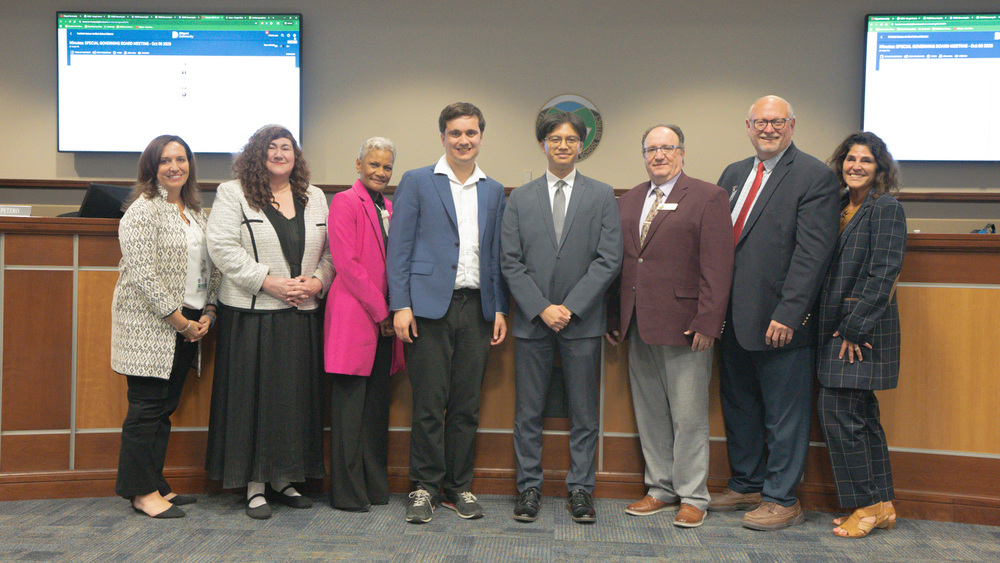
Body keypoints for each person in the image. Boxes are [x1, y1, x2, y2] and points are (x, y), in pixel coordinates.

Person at [711, 96, 840, 530]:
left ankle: (782, 497)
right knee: (740, 406)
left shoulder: (814, 176)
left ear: (792, 125)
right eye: (760, 122)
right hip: (731, 318)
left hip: (780, 321)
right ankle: (747, 482)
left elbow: (812, 253)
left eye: (777, 122)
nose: (768, 129)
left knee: (785, 414)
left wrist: (789, 313)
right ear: (747, 126)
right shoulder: (733, 174)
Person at [387, 102, 508, 524]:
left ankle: (458, 486)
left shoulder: (492, 189)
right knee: (427, 404)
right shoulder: (418, 181)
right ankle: (423, 487)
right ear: (443, 137)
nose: (463, 140)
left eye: (471, 133)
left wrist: (499, 308)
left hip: (476, 308)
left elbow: (495, 255)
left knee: (465, 405)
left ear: (480, 137)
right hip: (427, 309)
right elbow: (399, 248)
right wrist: (400, 304)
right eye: (455, 133)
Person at [607, 124, 733, 528]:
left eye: (667, 148)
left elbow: (718, 266)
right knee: (650, 412)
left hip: (686, 325)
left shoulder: (707, 196)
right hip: (638, 322)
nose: (659, 155)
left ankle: (694, 495)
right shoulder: (628, 201)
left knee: (689, 415)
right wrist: (615, 317)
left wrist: (709, 321)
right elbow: (621, 265)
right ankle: (660, 488)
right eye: (651, 149)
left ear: (682, 152)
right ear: (643, 155)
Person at [205, 125, 334, 520]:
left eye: (287, 147)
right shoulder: (233, 193)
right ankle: (255, 486)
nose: (280, 153)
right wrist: (269, 281)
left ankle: (284, 479)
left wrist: (317, 282)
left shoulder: (314, 197)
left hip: (301, 313)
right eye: (272, 147)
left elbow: (331, 251)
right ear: (257, 154)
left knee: (293, 401)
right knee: (254, 402)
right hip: (253, 314)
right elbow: (222, 248)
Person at [501, 111, 623, 524]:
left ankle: (581, 490)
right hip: (534, 321)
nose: (563, 146)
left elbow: (609, 260)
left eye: (571, 140)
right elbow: (510, 262)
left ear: (581, 146)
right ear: (542, 144)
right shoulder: (519, 197)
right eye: (555, 139)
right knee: (528, 412)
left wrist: (570, 308)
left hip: (582, 321)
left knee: (585, 413)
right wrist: (542, 308)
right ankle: (529, 488)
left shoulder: (603, 195)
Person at [111, 134, 220, 519]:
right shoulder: (143, 210)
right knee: (146, 409)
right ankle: (141, 492)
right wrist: (178, 320)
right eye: (165, 160)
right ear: (151, 168)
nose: (175, 166)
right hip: (152, 327)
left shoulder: (193, 211)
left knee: (164, 409)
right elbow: (143, 275)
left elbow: (212, 265)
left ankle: (154, 483)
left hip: (189, 322)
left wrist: (208, 310)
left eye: (181, 158)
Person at [817, 131, 906, 538]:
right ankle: (883, 504)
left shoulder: (885, 208)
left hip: (858, 331)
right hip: (837, 327)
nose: (856, 166)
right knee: (862, 417)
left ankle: (866, 508)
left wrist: (854, 328)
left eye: (866, 161)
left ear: (879, 168)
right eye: (850, 159)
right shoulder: (839, 206)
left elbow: (884, 272)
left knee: (840, 415)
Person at [324, 137, 406, 511]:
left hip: (385, 322)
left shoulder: (390, 206)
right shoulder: (344, 201)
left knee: (376, 409)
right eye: (373, 165)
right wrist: (382, 311)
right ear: (358, 165)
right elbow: (348, 264)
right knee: (349, 411)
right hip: (356, 316)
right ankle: (348, 493)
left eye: (387, 167)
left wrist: (394, 311)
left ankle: (375, 486)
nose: (380, 172)